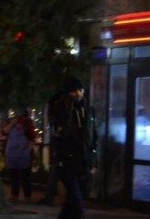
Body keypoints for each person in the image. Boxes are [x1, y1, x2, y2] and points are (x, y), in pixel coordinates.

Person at [50, 76, 97, 219]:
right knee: (77, 205)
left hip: (83, 162)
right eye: (74, 91)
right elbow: (62, 134)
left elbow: (93, 136)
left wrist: (93, 159)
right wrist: (69, 109)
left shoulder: (88, 110)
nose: (78, 93)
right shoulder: (59, 109)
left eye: (80, 90)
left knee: (71, 203)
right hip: (67, 161)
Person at [37, 88, 64, 205]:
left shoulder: (57, 107)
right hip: (62, 144)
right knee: (58, 170)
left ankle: (50, 196)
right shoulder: (63, 107)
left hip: (59, 144)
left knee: (55, 170)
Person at [3, 108, 37, 202]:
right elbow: (5, 131)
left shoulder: (28, 122)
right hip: (12, 152)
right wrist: (12, 123)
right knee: (13, 175)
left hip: (23, 152)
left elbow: (32, 138)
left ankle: (27, 196)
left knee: (25, 176)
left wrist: (28, 150)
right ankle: (14, 195)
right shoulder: (11, 121)